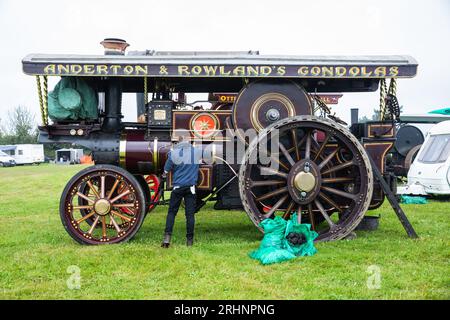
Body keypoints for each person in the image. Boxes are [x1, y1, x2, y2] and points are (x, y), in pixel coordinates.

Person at [161, 135, 202, 248]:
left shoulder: (173, 153)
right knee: (189, 215)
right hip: (191, 188)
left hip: (178, 187)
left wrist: (163, 175)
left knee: (171, 213)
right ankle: (189, 241)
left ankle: (167, 239)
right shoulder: (196, 152)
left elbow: (166, 169)